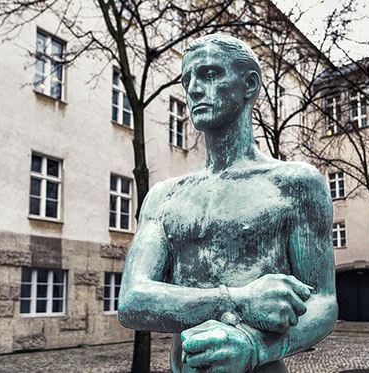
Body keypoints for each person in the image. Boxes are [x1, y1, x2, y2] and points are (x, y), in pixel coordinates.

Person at [118, 34, 337, 373]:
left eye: (208, 74)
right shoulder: (165, 196)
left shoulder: (295, 184)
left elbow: (323, 302)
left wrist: (253, 347)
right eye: (187, 79)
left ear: (249, 84)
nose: (192, 89)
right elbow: (132, 300)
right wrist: (237, 300)